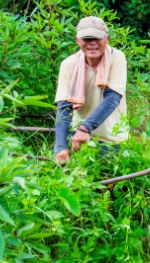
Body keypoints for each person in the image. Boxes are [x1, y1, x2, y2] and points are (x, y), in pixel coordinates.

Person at [54, 16, 128, 164]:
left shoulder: (116, 58)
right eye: (87, 39)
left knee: (114, 185)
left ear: (107, 39)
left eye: (97, 38)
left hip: (113, 141)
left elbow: (112, 98)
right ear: (77, 40)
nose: (92, 43)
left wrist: (85, 128)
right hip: (79, 140)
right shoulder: (68, 64)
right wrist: (61, 146)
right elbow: (64, 108)